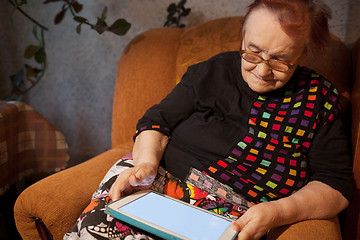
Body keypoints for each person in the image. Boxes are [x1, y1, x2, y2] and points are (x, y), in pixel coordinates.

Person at [64, 0, 354, 239]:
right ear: (242, 36)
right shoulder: (212, 71)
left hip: (233, 214)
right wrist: (145, 165)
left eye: (280, 60)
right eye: (252, 52)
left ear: (302, 54)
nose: (262, 71)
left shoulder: (319, 100)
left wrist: (276, 212)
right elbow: (155, 123)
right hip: (156, 180)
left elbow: (335, 187)